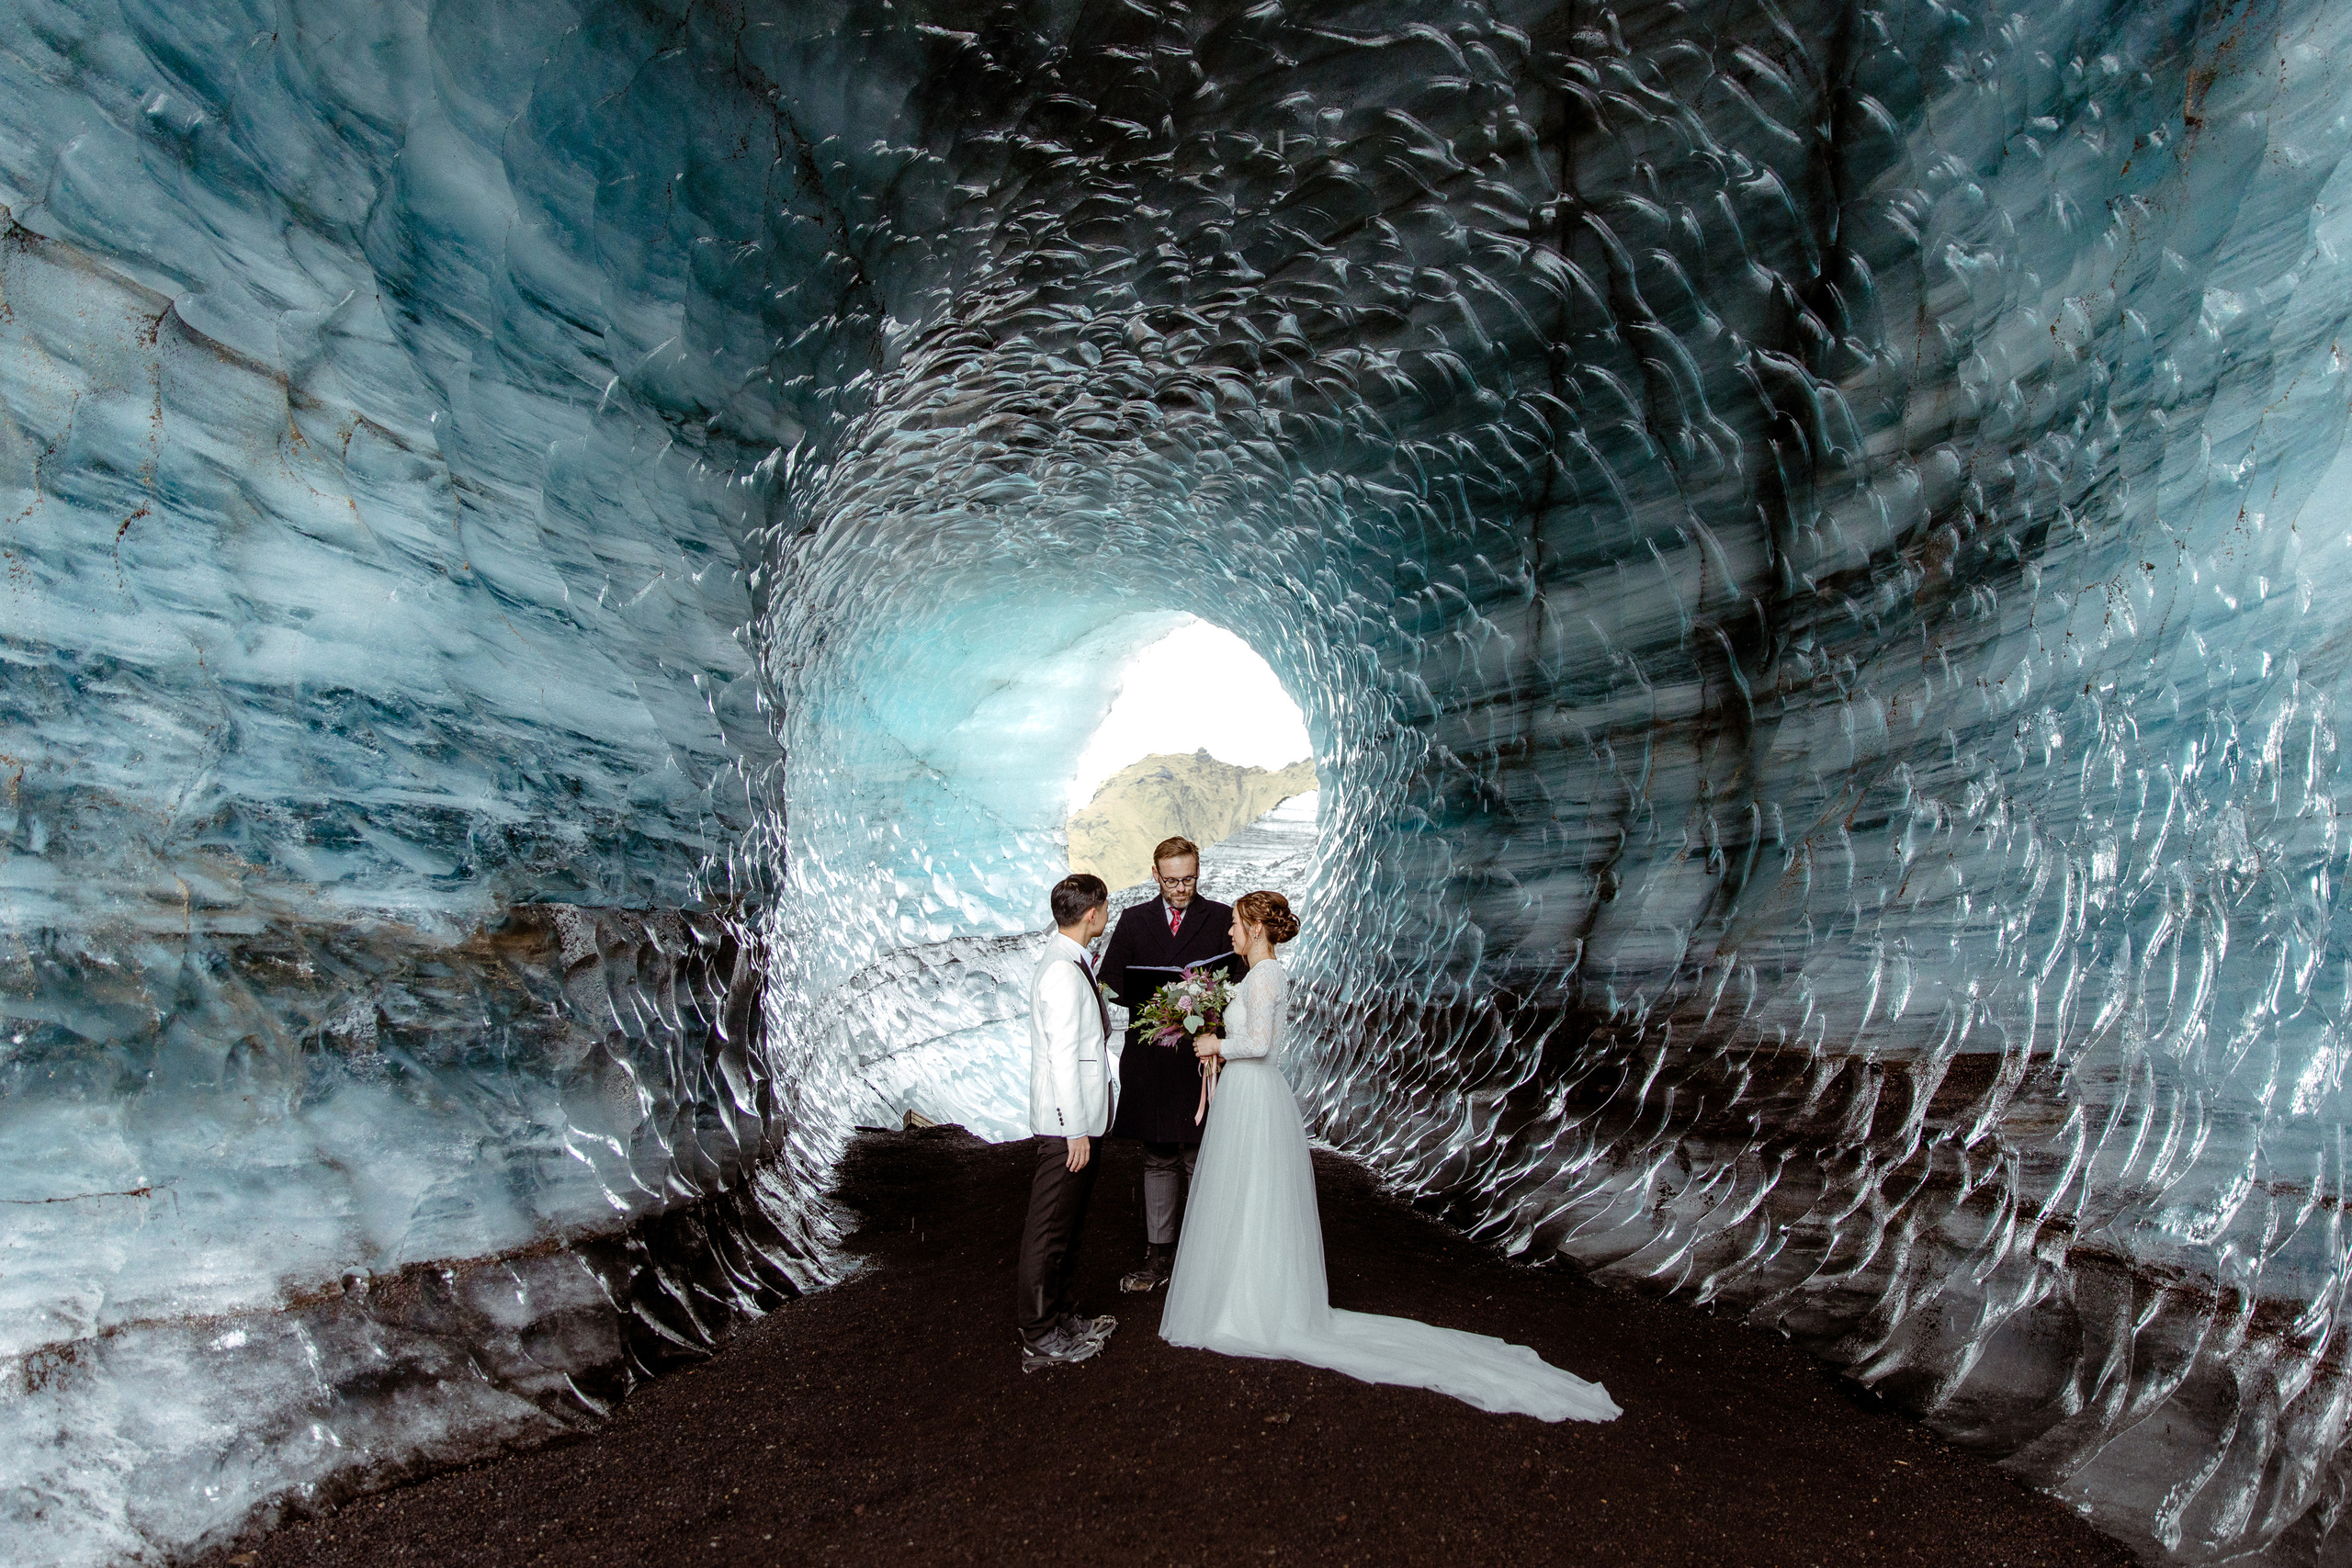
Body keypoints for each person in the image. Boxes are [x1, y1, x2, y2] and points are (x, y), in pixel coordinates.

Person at [1159, 890, 1623, 1423]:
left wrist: (1217, 1046)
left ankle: (1247, 1305)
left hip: (1254, 1091)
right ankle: (1246, 1296)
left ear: (1258, 930)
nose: (1230, 933)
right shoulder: (1260, 975)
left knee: (1251, 1196)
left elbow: (1262, 1044)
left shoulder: (1264, 977)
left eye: (1238, 925)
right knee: (1249, 1197)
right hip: (1250, 1095)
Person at [1096, 837, 1247, 1293]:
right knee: (1157, 1155)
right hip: (1149, 1058)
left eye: (1190, 879)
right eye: (1173, 880)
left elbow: (1241, 982)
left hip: (1201, 1059)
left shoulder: (1222, 917)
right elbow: (1109, 982)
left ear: (1198, 872)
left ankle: (1206, 1255)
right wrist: (1162, 1002)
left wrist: (1206, 1009)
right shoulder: (1133, 919)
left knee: (1200, 1155)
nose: (1182, 889)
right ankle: (1158, 1255)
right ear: (1156, 875)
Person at [1014, 873, 1120, 1371]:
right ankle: (1038, 1335)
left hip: (1078, 1124)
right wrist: (1073, 1128)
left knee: (1068, 1227)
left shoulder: (1070, 961)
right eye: (1104, 907)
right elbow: (1060, 1057)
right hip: (1067, 1127)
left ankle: (1061, 1318)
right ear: (1093, 913)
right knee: (1049, 1232)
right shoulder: (1061, 970)